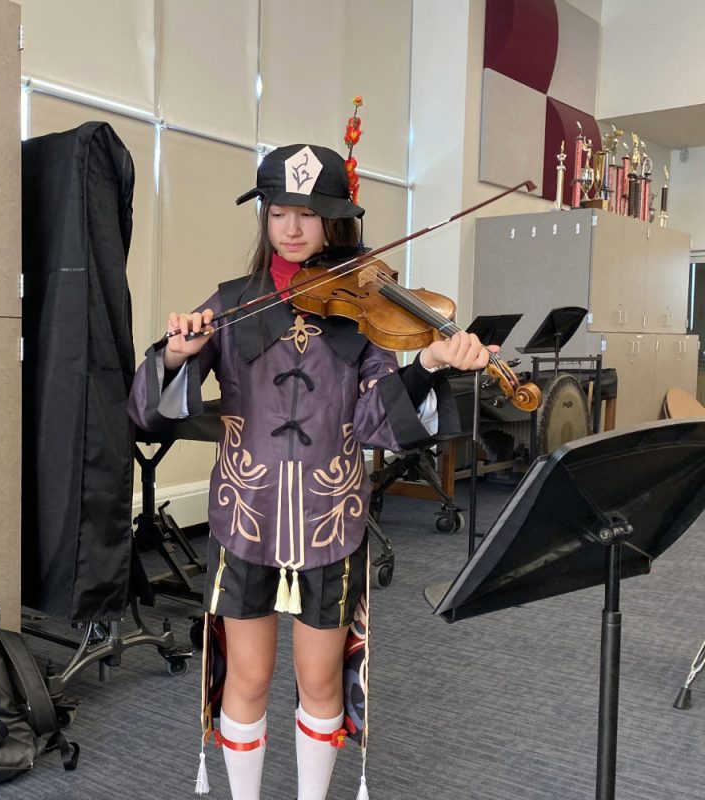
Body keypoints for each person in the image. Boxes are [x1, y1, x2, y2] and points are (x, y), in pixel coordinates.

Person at [128, 143, 492, 800]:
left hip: (332, 522)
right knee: (247, 677)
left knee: (321, 681)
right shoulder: (231, 303)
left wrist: (429, 365)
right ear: (264, 216)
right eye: (279, 212)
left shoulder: (364, 312)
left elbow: (380, 425)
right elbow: (149, 414)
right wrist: (177, 356)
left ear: (336, 222)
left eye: (309, 214)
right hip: (245, 520)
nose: (292, 228)